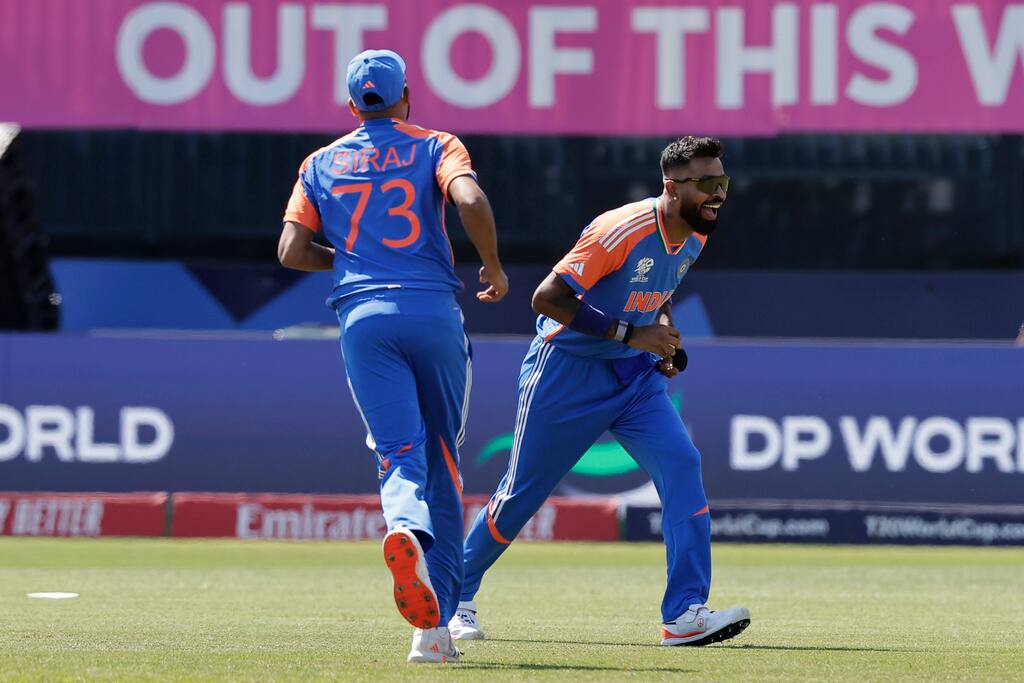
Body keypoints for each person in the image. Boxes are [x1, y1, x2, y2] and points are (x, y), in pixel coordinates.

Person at [449, 136, 749, 647]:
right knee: (522, 495)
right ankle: (454, 597)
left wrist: (662, 341)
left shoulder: (697, 234)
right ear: (671, 188)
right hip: (565, 374)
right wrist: (634, 335)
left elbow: (656, 295)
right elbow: (548, 299)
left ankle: (683, 614)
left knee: (682, 464)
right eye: (707, 184)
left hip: (633, 379)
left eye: (722, 183)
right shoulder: (620, 229)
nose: (718, 194)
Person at [277, 49, 508, 664]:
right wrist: (491, 264)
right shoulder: (437, 143)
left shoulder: (319, 162)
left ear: (353, 105)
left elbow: (291, 249)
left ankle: (403, 527)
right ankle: (437, 633)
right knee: (444, 461)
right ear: (407, 96)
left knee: (400, 454)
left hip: (362, 319)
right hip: (431, 312)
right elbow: (470, 200)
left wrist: (352, 259)